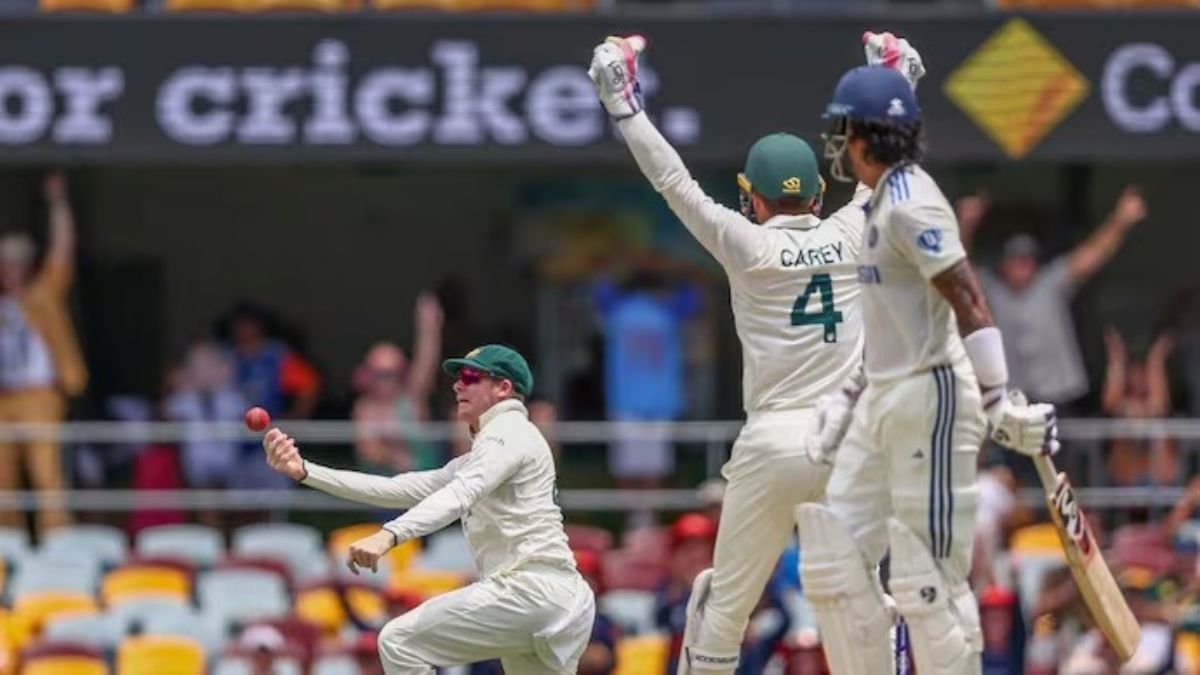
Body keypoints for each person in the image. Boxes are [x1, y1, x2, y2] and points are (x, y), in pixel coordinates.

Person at [589, 31, 924, 675]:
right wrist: (897, 81)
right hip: (852, 441)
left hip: (774, 444)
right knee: (863, 604)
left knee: (722, 610)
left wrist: (623, 104)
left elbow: (672, 181)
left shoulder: (748, 246)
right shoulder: (854, 229)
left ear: (753, 198)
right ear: (816, 198)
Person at [796, 64, 1059, 674]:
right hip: (882, 397)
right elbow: (892, 320)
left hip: (932, 399)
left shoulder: (913, 205)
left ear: (865, 135)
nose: (836, 147)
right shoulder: (881, 203)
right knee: (833, 557)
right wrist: (848, 392)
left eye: (841, 132)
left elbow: (967, 296)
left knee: (926, 577)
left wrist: (998, 398)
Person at [262, 344, 595, 674]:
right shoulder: (490, 451)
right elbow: (397, 488)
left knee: (398, 641)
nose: (457, 385)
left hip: (531, 591)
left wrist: (389, 535)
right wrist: (305, 470)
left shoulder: (507, 431)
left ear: (503, 388)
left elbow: (460, 494)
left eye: (470, 376)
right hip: (554, 601)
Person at [957, 185, 1148, 411]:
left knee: (1058, 443)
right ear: (1003, 263)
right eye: (1016, 259)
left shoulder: (1050, 281)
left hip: (1059, 394)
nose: (1023, 264)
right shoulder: (991, 287)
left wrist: (1120, 220)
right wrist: (966, 225)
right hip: (1010, 395)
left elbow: (1092, 255)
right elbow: (959, 270)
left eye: (1028, 258)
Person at [0, 171, 87, 534]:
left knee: (46, 471)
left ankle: (55, 535)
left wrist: (58, 204)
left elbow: (62, 251)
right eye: (6, 263)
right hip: (4, 396)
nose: (12, 270)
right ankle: (7, 540)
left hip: (39, 393)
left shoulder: (43, 295)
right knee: (3, 476)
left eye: (18, 262)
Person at [352, 292, 444, 474]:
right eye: (377, 374)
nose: (383, 380)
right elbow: (367, 448)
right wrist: (394, 457)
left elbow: (426, 364)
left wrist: (429, 328)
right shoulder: (364, 407)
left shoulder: (412, 398)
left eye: (390, 374)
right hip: (383, 488)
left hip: (422, 485)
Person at [1101, 327, 1177, 487]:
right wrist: (1117, 360)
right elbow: (1111, 403)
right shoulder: (1121, 403)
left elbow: (1158, 406)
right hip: (1125, 478)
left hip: (1160, 478)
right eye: (1134, 373)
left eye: (1143, 372)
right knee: (1129, 415)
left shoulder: (1158, 403)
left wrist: (1155, 360)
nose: (1139, 378)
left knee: (1155, 421)